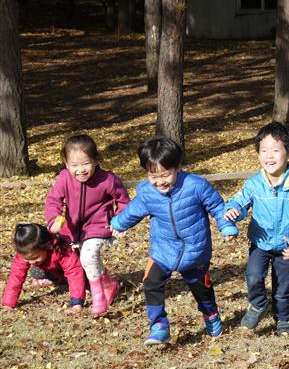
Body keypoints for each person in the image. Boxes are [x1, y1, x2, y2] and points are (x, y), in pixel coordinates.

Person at [110, 137, 238, 345]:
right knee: (151, 283)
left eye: (165, 175)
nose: (160, 181)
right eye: (153, 176)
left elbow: (216, 206)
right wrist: (118, 224)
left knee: (201, 288)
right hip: (163, 249)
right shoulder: (147, 192)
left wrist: (227, 226)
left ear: (178, 166)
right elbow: (133, 211)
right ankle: (159, 326)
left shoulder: (196, 186)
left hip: (194, 249)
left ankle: (211, 314)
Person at [224, 122, 289, 336]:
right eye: (263, 150)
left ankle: (284, 318)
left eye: (276, 150)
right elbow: (239, 202)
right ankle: (257, 304)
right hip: (260, 243)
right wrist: (233, 210)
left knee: (282, 288)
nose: (269, 156)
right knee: (254, 277)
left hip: (288, 247)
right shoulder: (254, 183)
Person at [44, 134, 130, 315]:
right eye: (74, 165)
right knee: (85, 260)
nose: (80, 170)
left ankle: (98, 299)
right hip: (74, 229)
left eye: (86, 163)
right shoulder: (64, 178)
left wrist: (120, 222)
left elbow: (123, 202)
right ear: (66, 164)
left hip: (100, 225)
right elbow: (53, 201)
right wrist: (54, 220)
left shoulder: (107, 179)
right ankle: (109, 284)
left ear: (96, 160)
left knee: (88, 257)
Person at [2, 223, 85, 313]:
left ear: (47, 246)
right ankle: (56, 280)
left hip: (75, 268)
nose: (31, 262)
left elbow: (74, 272)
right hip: (51, 269)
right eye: (27, 259)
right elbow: (16, 276)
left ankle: (62, 280)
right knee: (34, 272)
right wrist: (8, 304)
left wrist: (76, 303)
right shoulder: (25, 252)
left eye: (34, 258)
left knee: (85, 278)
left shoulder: (63, 249)